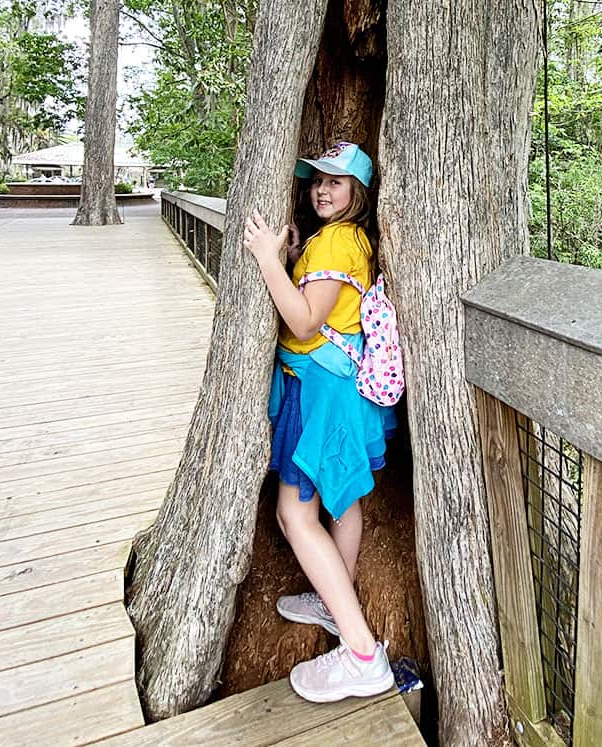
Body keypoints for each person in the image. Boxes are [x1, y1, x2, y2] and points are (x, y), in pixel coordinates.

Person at [242, 142, 396, 703]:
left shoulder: (335, 239)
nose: (322, 189)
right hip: (337, 386)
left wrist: (265, 259)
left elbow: (305, 322)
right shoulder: (351, 241)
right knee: (342, 501)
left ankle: (360, 653)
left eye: (336, 181)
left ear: (359, 192)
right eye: (316, 181)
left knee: (293, 515)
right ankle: (336, 600)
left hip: (319, 389)